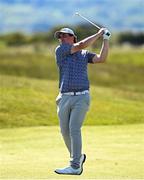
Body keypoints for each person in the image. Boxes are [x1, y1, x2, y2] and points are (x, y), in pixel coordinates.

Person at [54, 27, 110, 175]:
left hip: (81, 97)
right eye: (60, 36)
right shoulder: (60, 51)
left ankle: (75, 165)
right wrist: (98, 34)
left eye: (65, 36)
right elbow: (81, 45)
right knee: (64, 131)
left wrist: (105, 39)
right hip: (64, 96)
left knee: (74, 129)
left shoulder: (84, 54)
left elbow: (101, 59)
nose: (62, 38)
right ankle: (78, 158)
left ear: (73, 37)